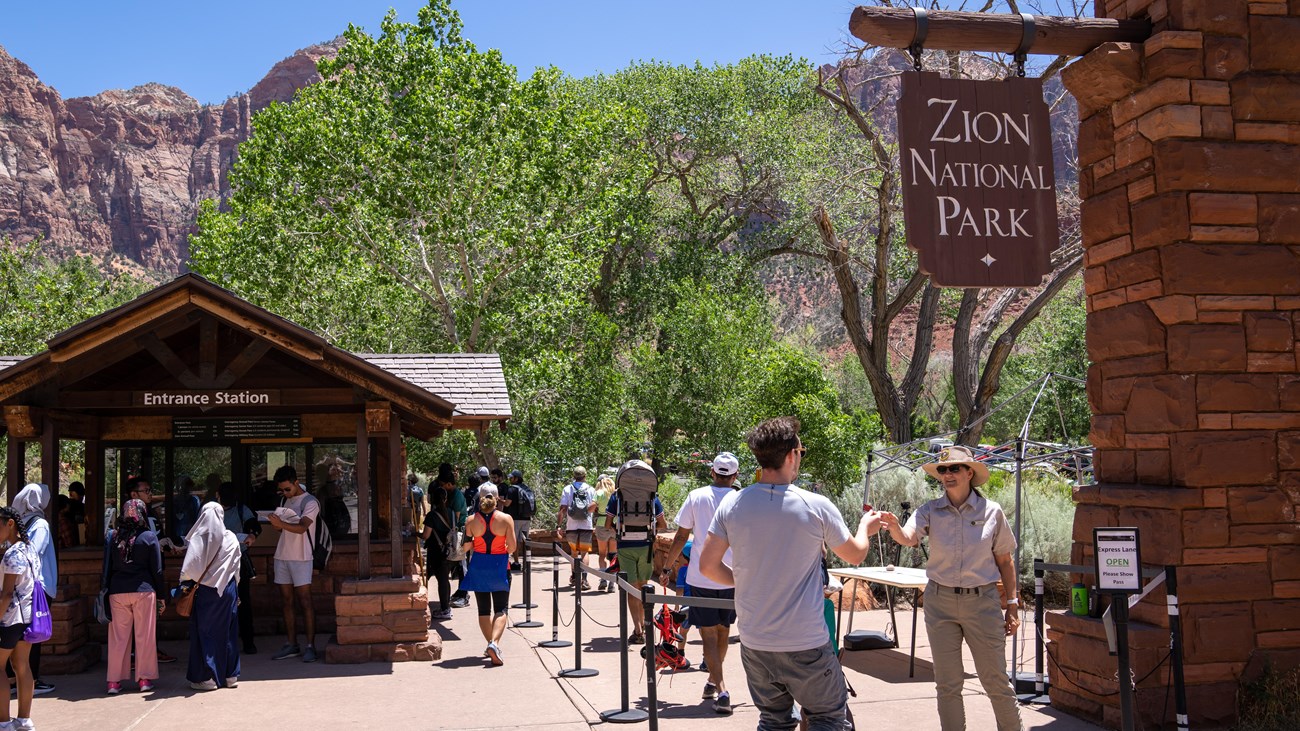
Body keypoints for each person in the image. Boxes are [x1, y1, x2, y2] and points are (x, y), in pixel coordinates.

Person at [700, 417, 882, 731]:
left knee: (774, 721)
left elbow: (707, 566)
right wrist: (866, 527)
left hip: (756, 642)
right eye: (800, 451)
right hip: (806, 642)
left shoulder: (733, 504)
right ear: (790, 456)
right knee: (827, 719)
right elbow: (855, 554)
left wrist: (745, 579)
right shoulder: (815, 506)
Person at [879, 446, 1022, 731]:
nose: (947, 475)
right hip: (939, 602)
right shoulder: (929, 511)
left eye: (954, 469)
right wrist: (894, 527)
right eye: (942, 470)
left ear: (970, 472)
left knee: (996, 682)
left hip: (982, 603)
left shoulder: (992, 512)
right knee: (947, 684)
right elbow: (908, 537)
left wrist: (1013, 605)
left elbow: (1005, 561)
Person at [660, 452, 741, 714]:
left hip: (702, 576)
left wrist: (667, 566)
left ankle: (721, 689)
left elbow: (682, 535)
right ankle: (714, 682)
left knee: (708, 634)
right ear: (735, 476)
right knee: (723, 632)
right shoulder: (741, 499)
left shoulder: (696, 496)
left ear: (712, 473)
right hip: (732, 577)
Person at [103, 499, 164, 694]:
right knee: (144, 636)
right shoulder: (148, 536)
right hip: (144, 591)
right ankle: (144, 680)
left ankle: (113, 682)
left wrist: (104, 590)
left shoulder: (112, 537)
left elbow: (107, 568)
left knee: (118, 639)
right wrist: (162, 596)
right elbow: (158, 570)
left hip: (117, 591)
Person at [179, 502, 242, 690]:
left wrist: (183, 584)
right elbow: (236, 567)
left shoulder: (199, 537)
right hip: (229, 589)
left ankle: (208, 678)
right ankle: (230, 675)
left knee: (205, 634)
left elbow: (189, 570)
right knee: (229, 633)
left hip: (206, 592)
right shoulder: (231, 537)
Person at [121, 477, 178, 665]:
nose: (150, 494)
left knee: (152, 617)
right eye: (146, 490)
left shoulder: (151, 513)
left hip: (154, 571)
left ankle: (151, 651)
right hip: (134, 575)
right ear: (134, 494)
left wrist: (169, 545)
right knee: (130, 620)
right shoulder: (128, 516)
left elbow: (159, 537)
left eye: (150, 490)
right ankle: (131, 656)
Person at [604, 474, 667, 645]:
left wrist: (619, 529)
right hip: (645, 546)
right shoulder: (651, 496)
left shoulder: (617, 495)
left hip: (624, 546)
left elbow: (607, 524)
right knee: (643, 585)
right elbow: (663, 524)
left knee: (631, 588)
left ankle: (638, 630)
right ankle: (645, 627)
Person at [266, 465, 321, 663]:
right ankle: (291, 644)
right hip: (282, 555)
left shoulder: (310, 501)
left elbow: (302, 527)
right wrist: (277, 524)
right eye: (281, 490)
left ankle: (310, 646)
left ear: (297, 483)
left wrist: (281, 524)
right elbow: (285, 530)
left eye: (287, 489)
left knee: (305, 601)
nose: (285, 493)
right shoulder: (284, 500)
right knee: (287, 601)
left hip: (302, 557)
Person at [458, 485, 516, 666]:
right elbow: (512, 547)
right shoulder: (506, 519)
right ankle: (494, 643)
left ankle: (490, 644)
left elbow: (466, 547)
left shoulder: (470, 520)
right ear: (498, 498)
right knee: (501, 608)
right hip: (500, 566)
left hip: (479, 566)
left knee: (483, 610)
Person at [9, 484, 55, 696]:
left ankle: (14, 678)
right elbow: (34, 552)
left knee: (17, 632)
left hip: (18, 583)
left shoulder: (19, 522)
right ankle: (31, 680)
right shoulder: (41, 524)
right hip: (38, 585)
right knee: (33, 633)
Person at [0, 506, 39, 731]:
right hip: (28, 617)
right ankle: (24, 720)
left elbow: (6, 593)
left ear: (10, 523)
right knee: (22, 665)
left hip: (10, 618)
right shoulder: (30, 549)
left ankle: (4, 722)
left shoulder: (13, 553)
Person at [218, 483, 261, 654]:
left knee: (243, 601)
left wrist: (252, 535)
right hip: (217, 561)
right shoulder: (213, 511)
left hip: (238, 560)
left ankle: (248, 641)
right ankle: (224, 641)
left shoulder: (242, 510)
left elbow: (254, 526)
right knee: (221, 601)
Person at [557, 467, 597, 590]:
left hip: (572, 526)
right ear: (585, 475)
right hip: (586, 525)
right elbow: (594, 506)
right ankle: (584, 580)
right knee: (584, 551)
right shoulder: (590, 489)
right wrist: (586, 512)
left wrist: (558, 525)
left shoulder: (567, 489)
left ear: (574, 475)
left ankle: (575, 577)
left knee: (574, 552)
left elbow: (563, 509)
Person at [421, 485, 455, 621]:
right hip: (450, 551)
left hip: (436, 552)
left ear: (432, 499)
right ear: (445, 499)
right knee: (444, 579)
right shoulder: (451, 513)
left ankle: (445, 609)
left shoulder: (432, 516)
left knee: (440, 580)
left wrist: (414, 533)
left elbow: (425, 535)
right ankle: (446, 607)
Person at [500, 470, 533, 572]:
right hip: (526, 518)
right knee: (525, 540)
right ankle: (527, 562)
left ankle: (517, 563)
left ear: (516, 478)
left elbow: (507, 504)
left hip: (515, 518)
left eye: (512, 478)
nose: (510, 479)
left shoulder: (512, 489)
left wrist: (498, 499)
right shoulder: (526, 488)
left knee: (514, 541)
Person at [592, 475, 616, 592]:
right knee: (613, 555)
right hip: (614, 525)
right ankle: (612, 582)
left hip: (601, 524)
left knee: (602, 554)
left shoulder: (599, 493)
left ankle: (603, 579)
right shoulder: (615, 493)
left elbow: (592, 507)